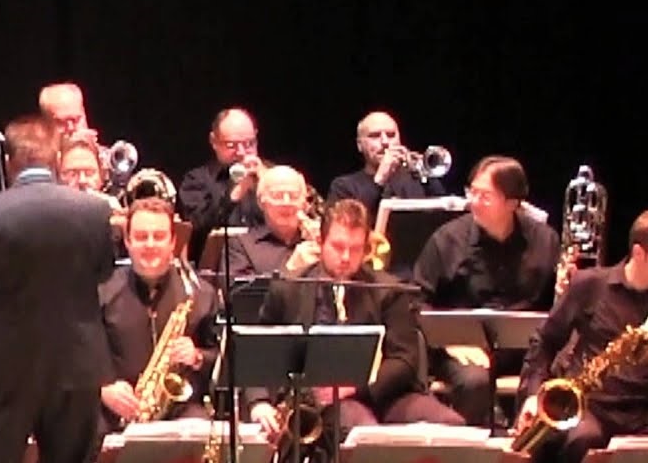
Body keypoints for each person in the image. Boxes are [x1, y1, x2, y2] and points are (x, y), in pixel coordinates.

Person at [0, 114, 114, 463]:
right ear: (57, 158)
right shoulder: (94, 211)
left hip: (5, 368)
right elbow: (104, 272)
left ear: (9, 162)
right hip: (76, 365)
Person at [246, 199, 464, 456]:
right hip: (322, 402)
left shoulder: (389, 290)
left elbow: (405, 359)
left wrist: (356, 387)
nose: (346, 258)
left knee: (451, 426)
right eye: (338, 247)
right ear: (320, 242)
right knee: (365, 434)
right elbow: (260, 352)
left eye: (356, 249)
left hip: (386, 394)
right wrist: (259, 402)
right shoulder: (288, 289)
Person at [413, 155, 561, 426]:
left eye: (485, 196)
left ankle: (531, 445)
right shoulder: (447, 240)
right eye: (472, 192)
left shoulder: (545, 240)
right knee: (475, 381)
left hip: (526, 349)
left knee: (558, 376)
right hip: (463, 348)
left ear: (513, 203)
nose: (474, 201)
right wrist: (450, 342)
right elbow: (416, 301)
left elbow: (557, 305)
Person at [516, 209, 648, 463]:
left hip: (641, 411)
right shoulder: (591, 285)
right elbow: (545, 341)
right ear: (639, 253)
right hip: (590, 408)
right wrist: (533, 395)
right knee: (584, 439)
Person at [97, 198, 217, 434]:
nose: (150, 244)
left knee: (203, 433)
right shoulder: (102, 292)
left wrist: (197, 356)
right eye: (141, 237)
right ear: (128, 242)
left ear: (172, 242)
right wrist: (102, 389)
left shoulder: (200, 293)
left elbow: (223, 358)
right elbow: (78, 356)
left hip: (181, 410)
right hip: (116, 412)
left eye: (159, 236)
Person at [178, 107, 267, 263]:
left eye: (249, 144)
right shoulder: (196, 180)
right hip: (215, 269)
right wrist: (235, 194)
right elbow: (198, 229)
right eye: (232, 145)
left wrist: (269, 184)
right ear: (214, 141)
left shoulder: (272, 175)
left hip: (267, 266)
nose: (242, 152)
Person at [326, 111, 447, 222]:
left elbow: (446, 216)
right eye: (374, 136)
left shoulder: (419, 179)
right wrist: (380, 179)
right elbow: (349, 225)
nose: (385, 142)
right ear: (360, 145)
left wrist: (425, 172)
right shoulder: (343, 186)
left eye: (391, 135)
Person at [227, 165, 314, 277]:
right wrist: (289, 271)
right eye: (277, 196)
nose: (286, 203)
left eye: (294, 196)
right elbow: (241, 288)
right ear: (261, 203)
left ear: (304, 203)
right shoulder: (241, 245)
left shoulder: (318, 242)